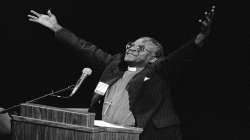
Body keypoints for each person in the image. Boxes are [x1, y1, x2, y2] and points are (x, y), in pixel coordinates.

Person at [27, 8, 213, 140]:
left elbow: (178, 57)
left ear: (153, 59)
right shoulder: (114, 65)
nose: (132, 48)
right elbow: (84, 47)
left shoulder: (157, 71)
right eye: (131, 44)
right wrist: (56, 28)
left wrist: (201, 38)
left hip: (145, 136)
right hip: (106, 134)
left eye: (141, 48)